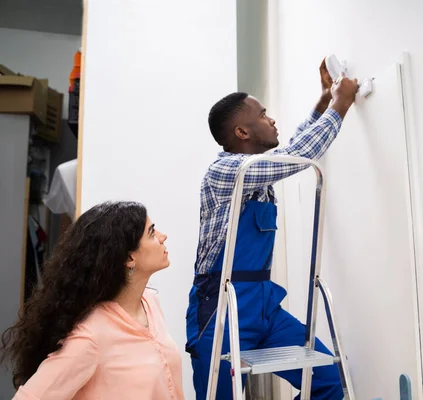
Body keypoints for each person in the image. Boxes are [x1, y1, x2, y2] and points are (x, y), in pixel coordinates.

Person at [185, 59, 359, 399]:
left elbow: (292, 146)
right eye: (263, 114)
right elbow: (300, 153)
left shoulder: (259, 171)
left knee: (328, 381)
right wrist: (341, 105)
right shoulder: (225, 172)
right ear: (242, 133)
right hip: (221, 309)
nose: (272, 118)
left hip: (263, 306)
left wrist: (324, 101)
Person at [0, 201, 184, 400]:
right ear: (129, 257)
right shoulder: (92, 335)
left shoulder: (151, 303)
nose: (163, 236)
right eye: (152, 233)